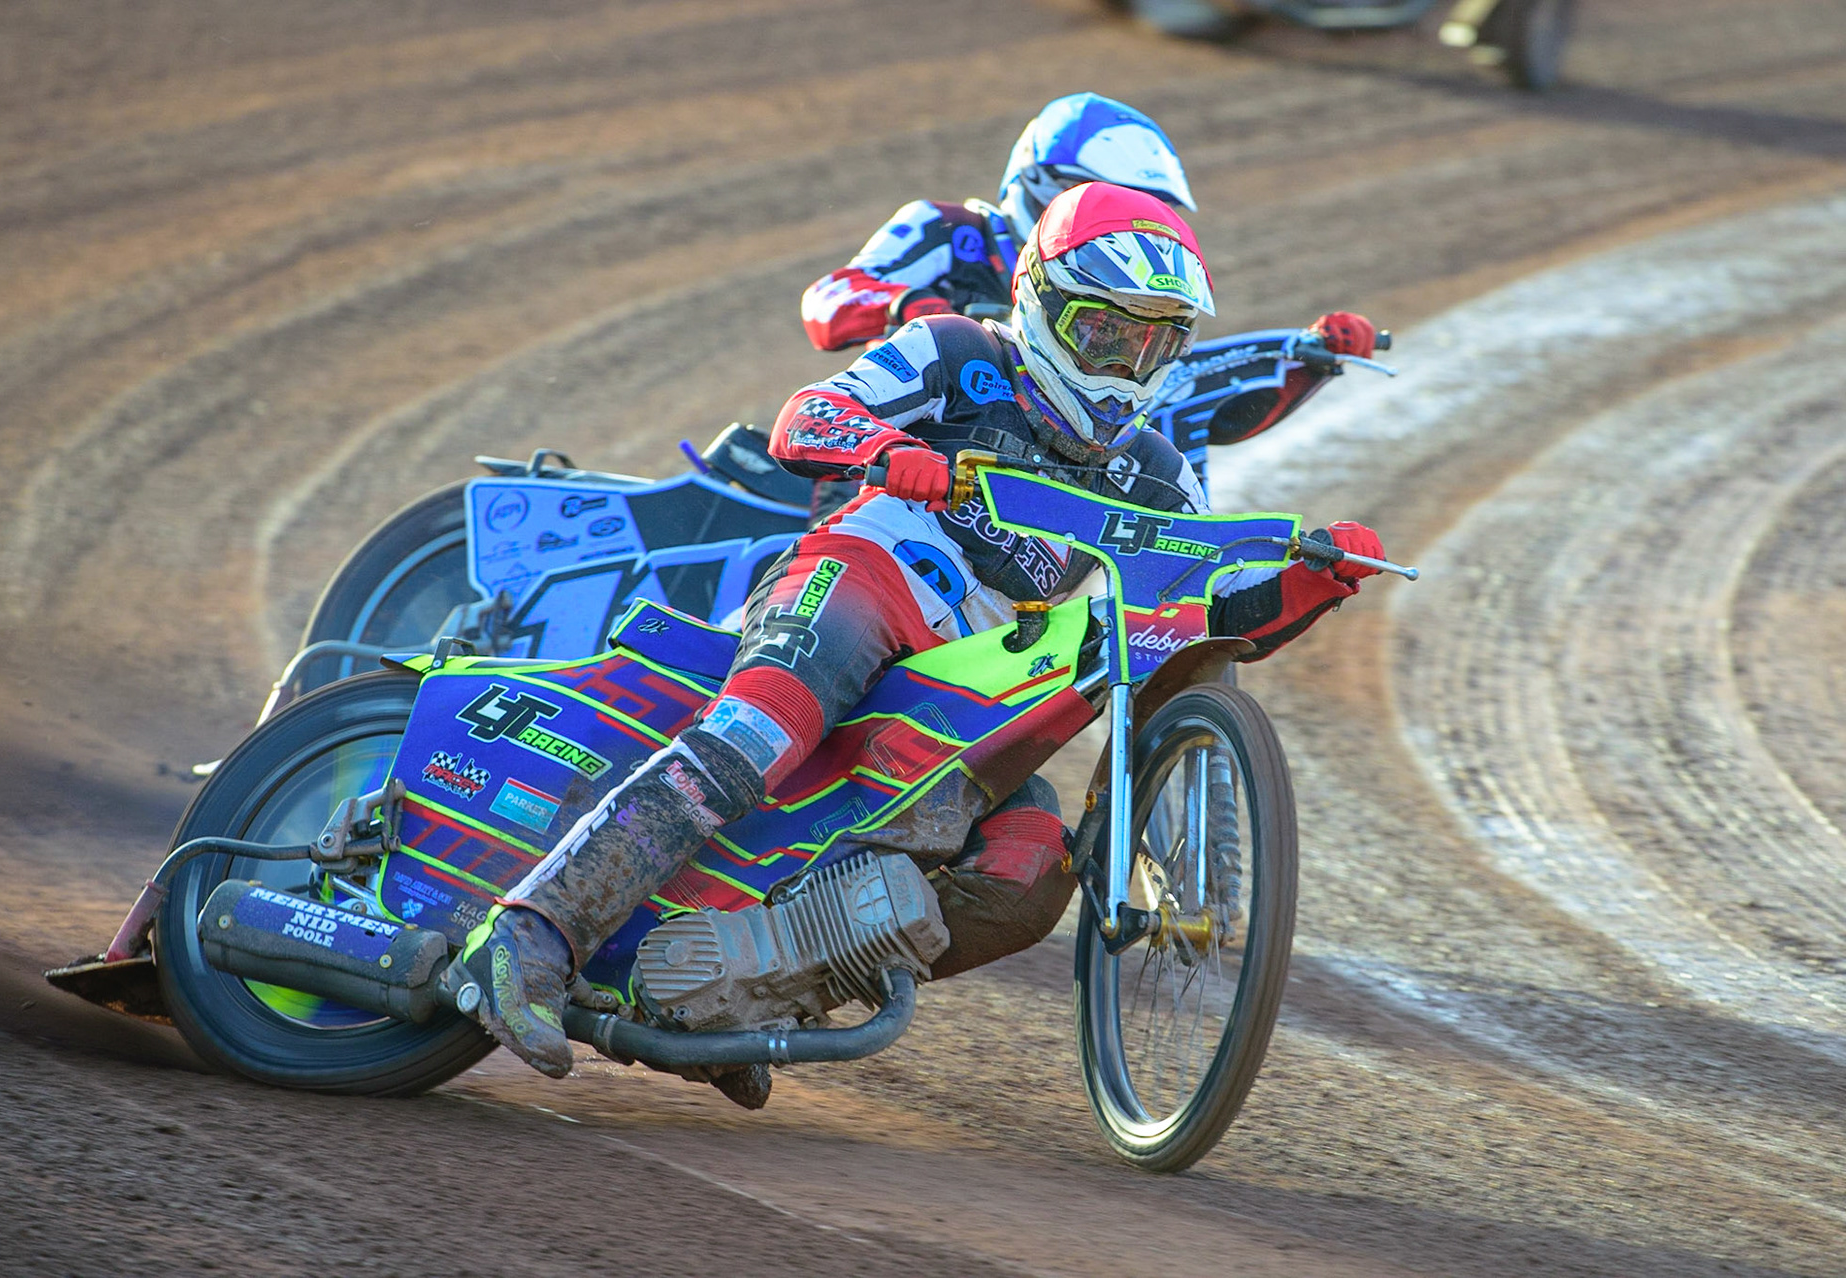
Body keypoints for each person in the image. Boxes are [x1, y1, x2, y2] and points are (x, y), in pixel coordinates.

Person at [462, 183, 1385, 1080]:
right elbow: (806, 415)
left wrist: (1309, 585)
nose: (1118, 366)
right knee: (760, 730)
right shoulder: (953, 351)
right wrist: (885, 448)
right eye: (1102, 332)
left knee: (1027, 882)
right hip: (865, 577)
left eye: (1149, 345)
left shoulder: (1163, 475)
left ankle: (732, 997)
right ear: (1040, 300)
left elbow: (1196, 622)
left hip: (981, 687)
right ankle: (529, 934)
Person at [798, 91, 1382, 496]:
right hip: (920, 440)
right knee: (853, 519)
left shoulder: (1129, 296)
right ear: (1047, 182)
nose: (1126, 223)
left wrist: (1302, 357)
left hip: (1052, 462)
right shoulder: (950, 230)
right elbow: (827, 303)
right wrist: (904, 305)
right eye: (1107, 198)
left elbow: (1171, 385)